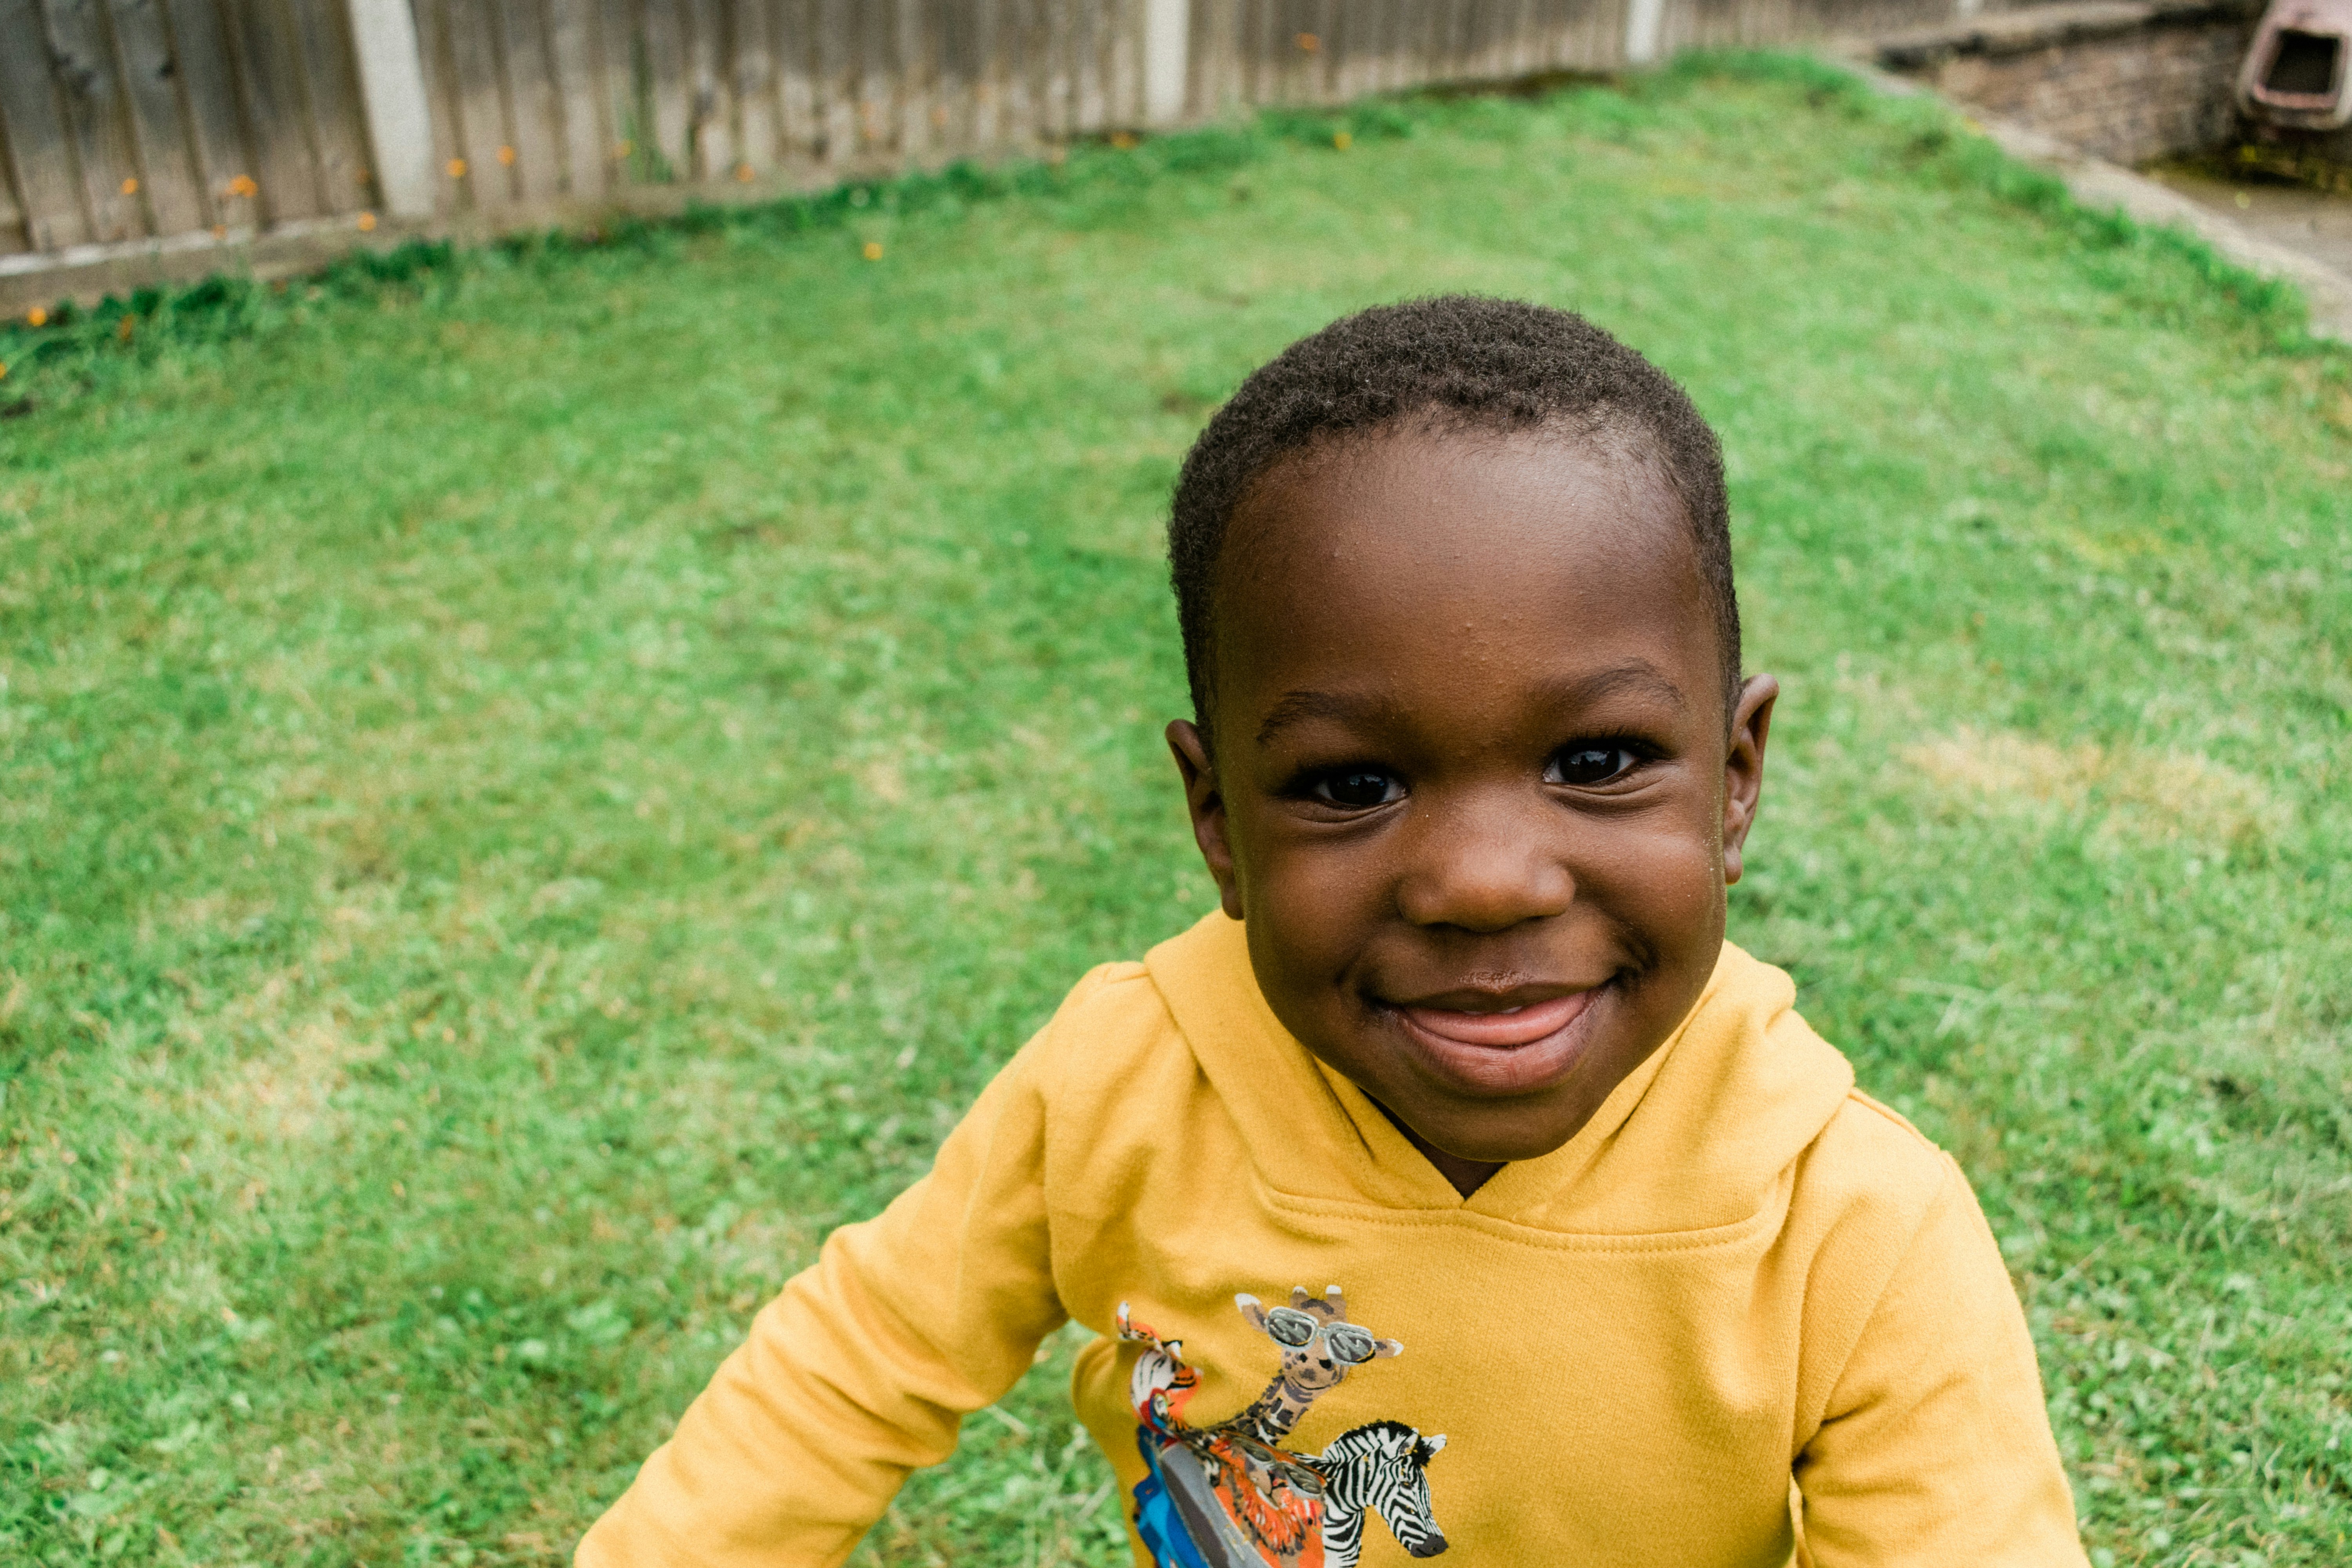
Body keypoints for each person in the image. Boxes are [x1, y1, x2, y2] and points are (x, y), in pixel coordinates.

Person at [576, 297, 2087, 1568]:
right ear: (1219, 818)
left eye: (1599, 761)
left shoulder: (1854, 1226)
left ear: (1737, 784)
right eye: (1352, 785)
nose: (1487, 883)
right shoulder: (1122, 1082)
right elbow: (855, 1368)